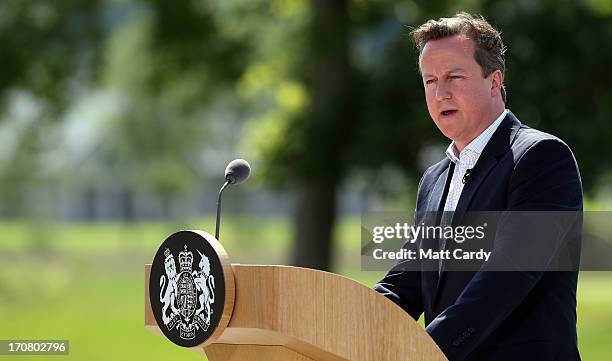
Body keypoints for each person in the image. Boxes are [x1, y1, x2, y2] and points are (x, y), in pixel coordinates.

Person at [374, 12, 583, 361]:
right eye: (430, 80)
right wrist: (334, 327)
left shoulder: (542, 157)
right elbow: (405, 285)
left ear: (493, 81)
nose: (440, 93)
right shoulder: (433, 179)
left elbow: (507, 277)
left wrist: (423, 352)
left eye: (455, 76)